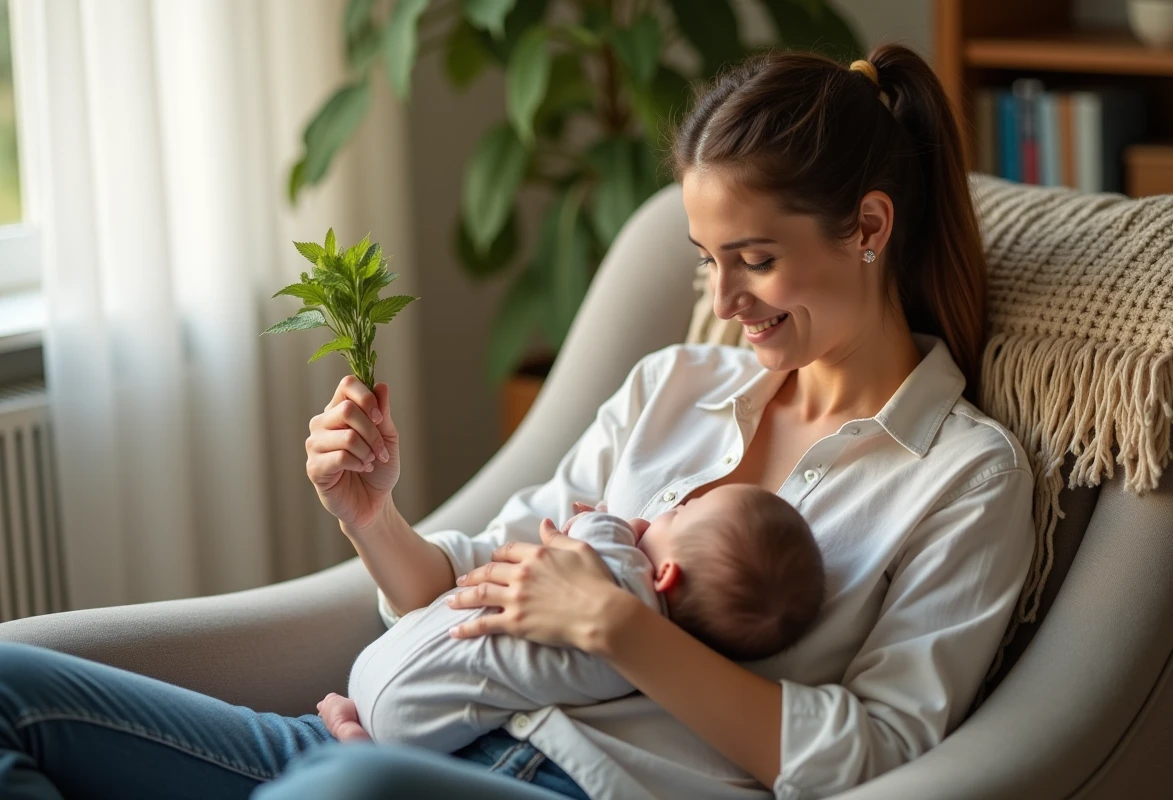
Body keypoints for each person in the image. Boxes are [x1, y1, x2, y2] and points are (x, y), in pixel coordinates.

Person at [0, 43, 1035, 800]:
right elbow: (482, 579)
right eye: (705, 258)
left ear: (867, 226)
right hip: (401, 747)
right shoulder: (675, 385)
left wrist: (622, 628)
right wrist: (372, 515)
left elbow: (882, 752)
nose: (723, 300)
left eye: (754, 259)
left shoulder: (963, 478)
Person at [326, 485, 823, 751]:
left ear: (666, 573)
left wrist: (610, 521)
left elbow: (590, 524)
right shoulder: (624, 673)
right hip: (404, 730)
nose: (671, 507)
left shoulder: (625, 582)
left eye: (685, 510)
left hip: (382, 700)